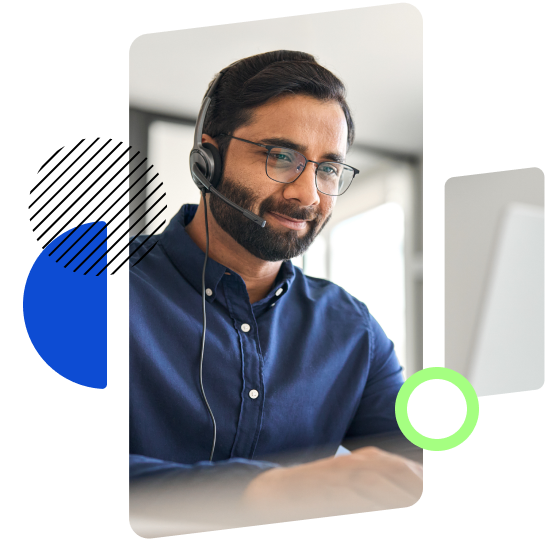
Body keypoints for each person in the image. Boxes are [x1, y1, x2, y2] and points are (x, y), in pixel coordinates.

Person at [129, 50, 422, 529]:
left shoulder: (352, 329)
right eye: (280, 156)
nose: (307, 194)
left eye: (328, 168)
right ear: (208, 159)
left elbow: (412, 458)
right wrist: (259, 491)